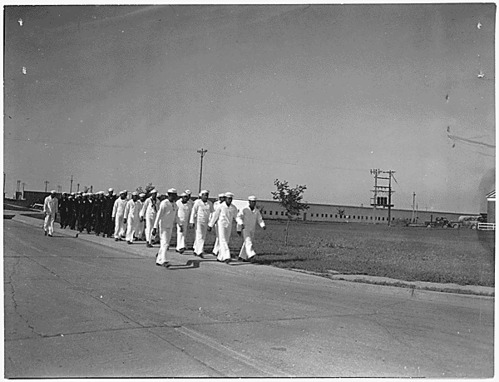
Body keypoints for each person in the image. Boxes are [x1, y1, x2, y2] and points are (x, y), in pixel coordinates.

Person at [153, 188, 181, 267]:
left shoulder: (175, 205)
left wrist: (180, 224)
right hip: (163, 226)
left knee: (165, 243)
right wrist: (155, 227)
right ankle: (164, 260)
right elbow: (159, 215)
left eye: (175, 195)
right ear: (168, 195)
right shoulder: (164, 203)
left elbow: (176, 216)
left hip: (170, 226)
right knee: (165, 243)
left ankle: (159, 259)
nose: (173, 197)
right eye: (172, 195)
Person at [208, 192, 238, 264]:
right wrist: (210, 225)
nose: (229, 200)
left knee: (226, 240)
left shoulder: (233, 208)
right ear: (225, 199)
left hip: (228, 225)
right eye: (228, 199)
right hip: (221, 225)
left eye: (231, 199)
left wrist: (240, 223)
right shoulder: (221, 206)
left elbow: (236, 217)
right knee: (223, 240)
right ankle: (227, 256)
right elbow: (215, 216)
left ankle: (220, 257)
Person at [236, 196, 266, 262]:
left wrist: (262, 225)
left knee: (247, 242)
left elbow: (259, 219)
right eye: (252, 202)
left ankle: (242, 256)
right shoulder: (244, 209)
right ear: (249, 202)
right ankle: (251, 254)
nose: (253, 203)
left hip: (252, 228)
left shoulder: (256, 211)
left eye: (254, 202)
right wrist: (241, 224)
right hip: (245, 228)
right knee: (248, 241)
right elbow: (238, 217)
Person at [189, 190, 213, 258]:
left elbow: (212, 212)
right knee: (200, 236)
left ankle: (196, 250)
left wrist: (210, 223)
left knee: (203, 236)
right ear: (201, 195)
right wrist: (192, 221)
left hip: (206, 222)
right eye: (204, 195)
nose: (206, 197)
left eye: (207, 195)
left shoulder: (210, 203)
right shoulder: (197, 202)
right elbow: (193, 212)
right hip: (199, 221)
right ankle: (200, 251)